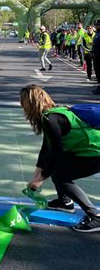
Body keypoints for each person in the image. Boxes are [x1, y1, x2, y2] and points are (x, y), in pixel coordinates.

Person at [20, 84, 100, 232]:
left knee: (60, 176)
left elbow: (57, 153)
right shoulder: (54, 113)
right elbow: (46, 150)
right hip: (90, 150)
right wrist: (36, 174)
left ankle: (95, 216)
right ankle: (65, 203)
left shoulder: (50, 119)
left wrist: (40, 179)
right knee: (57, 168)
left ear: (29, 104)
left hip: (96, 153)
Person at [92, 20, 100, 94]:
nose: (96, 26)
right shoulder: (97, 33)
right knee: (97, 70)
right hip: (96, 54)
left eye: (97, 25)